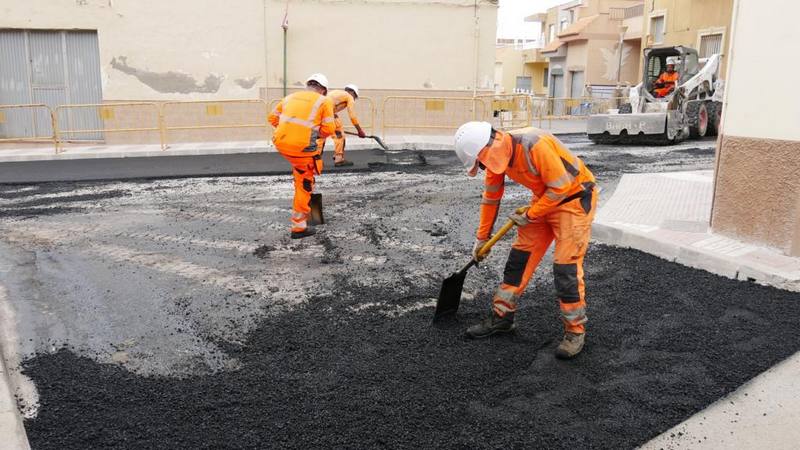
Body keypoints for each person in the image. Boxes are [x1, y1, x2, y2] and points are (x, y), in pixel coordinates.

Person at [453, 122, 598, 359]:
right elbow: (491, 198)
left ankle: (575, 330)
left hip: (573, 200)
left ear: (486, 151)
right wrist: (482, 239)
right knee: (519, 260)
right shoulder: (494, 159)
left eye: (481, 164)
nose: (483, 168)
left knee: (565, 268)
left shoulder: (534, 144)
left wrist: (530, 214)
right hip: (543, 201)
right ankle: (502, 317)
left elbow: (561, 187)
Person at [268, 73, 336, 239]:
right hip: (302, 149)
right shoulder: (324, 100)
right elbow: (329, 130)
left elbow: (272, 119)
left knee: (301, 171)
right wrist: (311, 132)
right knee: (304, 184)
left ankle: (302, 179)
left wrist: (291, 131)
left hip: (282, 143)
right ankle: (299, 227)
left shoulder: (290, 97)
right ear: (323, 90)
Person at [318, 84, 366, 167]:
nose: (354, 99)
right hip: (329, 115)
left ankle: (316, 160)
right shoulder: (349, 96)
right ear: (352, 92)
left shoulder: (336, 92)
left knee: (321, 137)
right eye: (355, 96)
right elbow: (352, 115)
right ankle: (339, 158)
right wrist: (359, 130)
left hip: (320, 115)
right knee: (340, 136)